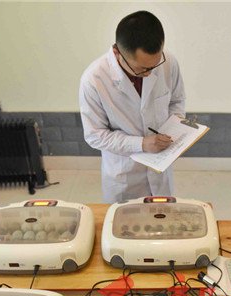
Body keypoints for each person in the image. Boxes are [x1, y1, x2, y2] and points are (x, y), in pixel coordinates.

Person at [79, 10, 185, 203]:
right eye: (142, 69)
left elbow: (176, 101)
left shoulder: (168, 63)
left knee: (163, 215)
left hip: (160, 169)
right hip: (124, 176)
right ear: (117, 53)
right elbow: (95, 135)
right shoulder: (94, 80)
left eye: (155, 65)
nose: (150, 73)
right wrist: (141, 144)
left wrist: (176, 130)